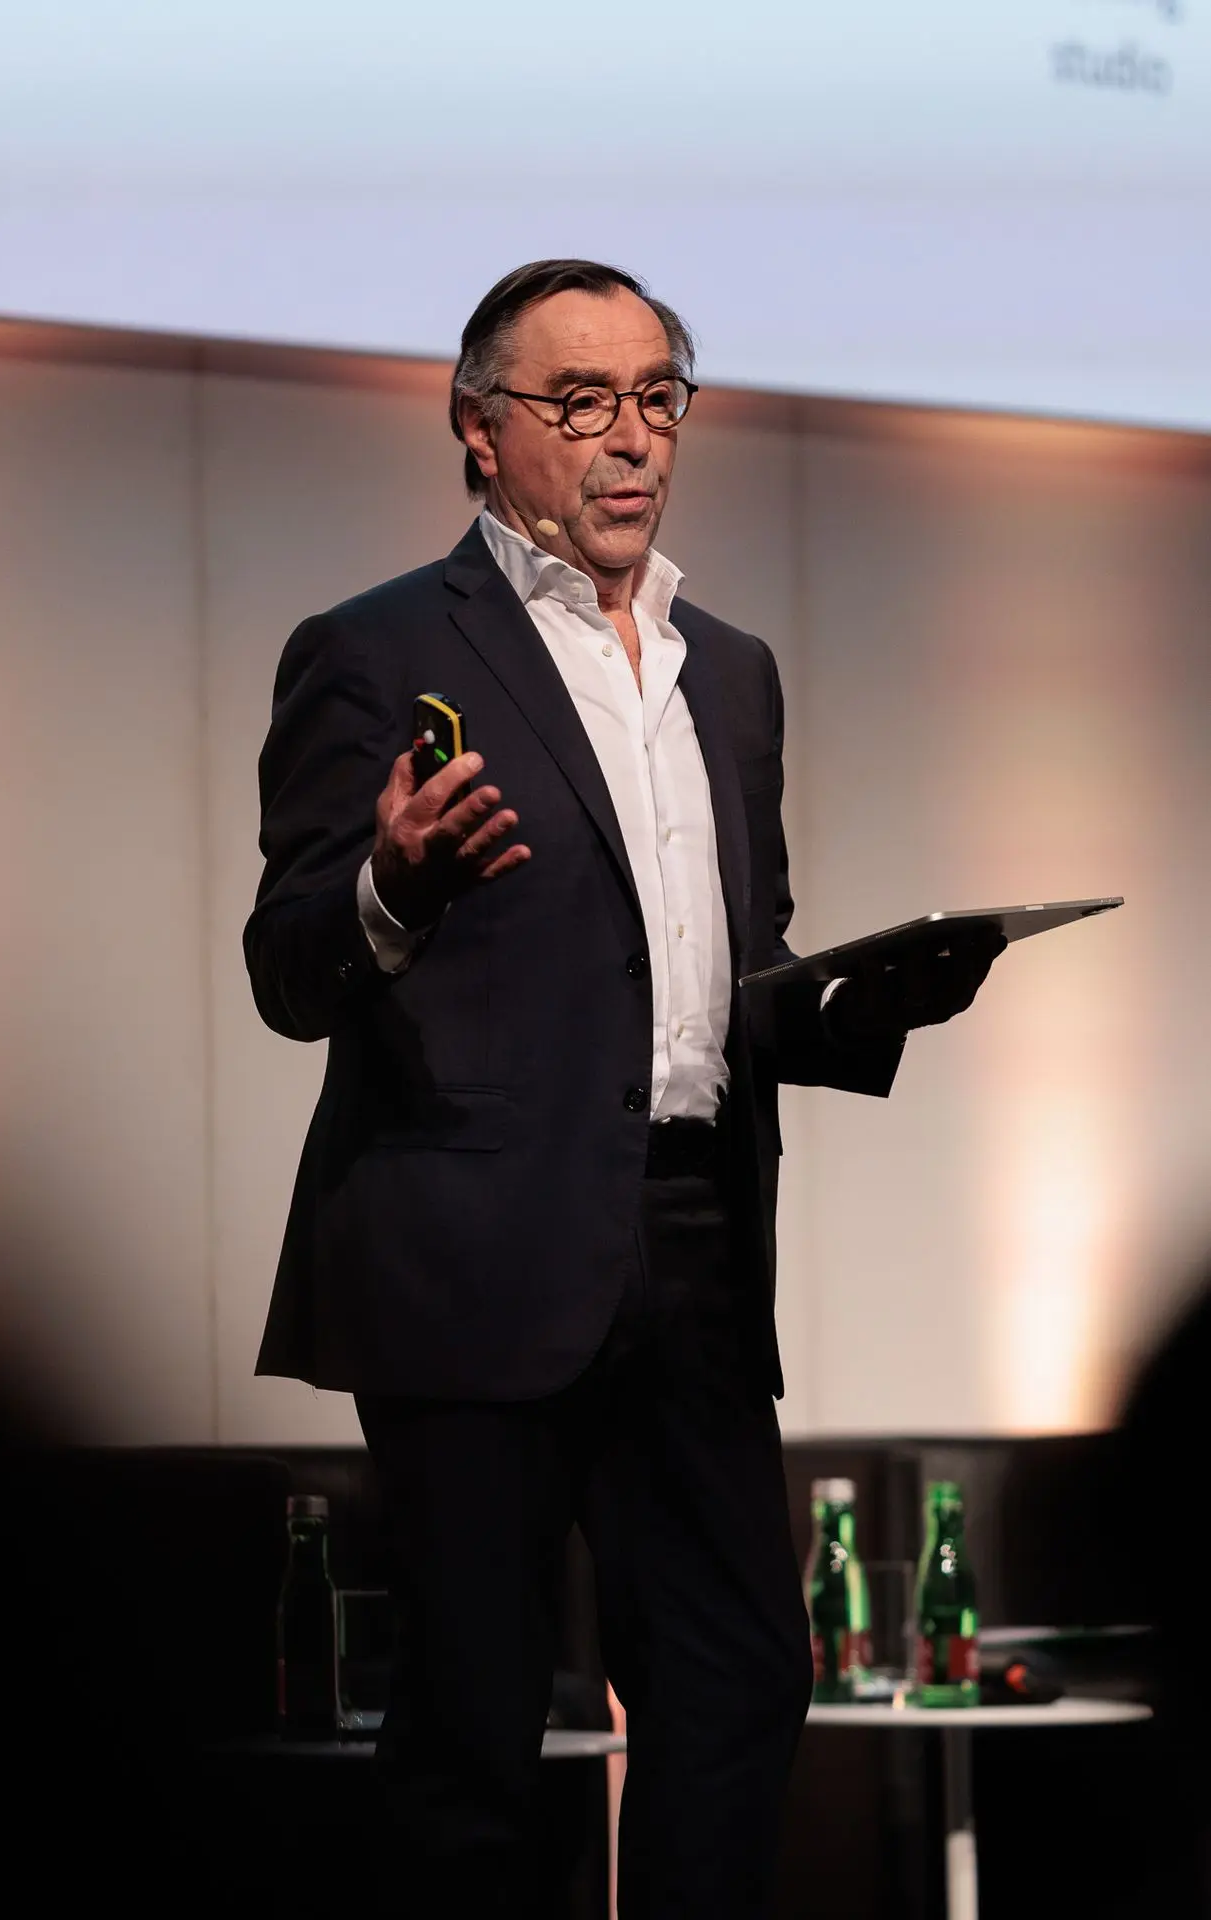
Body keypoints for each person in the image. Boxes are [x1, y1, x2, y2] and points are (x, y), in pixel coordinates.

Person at [244, 259, 1002, 1918]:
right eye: (580, 401)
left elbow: (727, 977)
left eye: (658, 396)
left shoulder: (730, 669)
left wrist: (867, 1003)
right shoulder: (373, 649)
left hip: (693, 1241)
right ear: (479, 426)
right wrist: (390, 886)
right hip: (469, 1255)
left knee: (741, 1678)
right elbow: (287, 967)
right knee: (475, 1731)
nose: (632, 437)